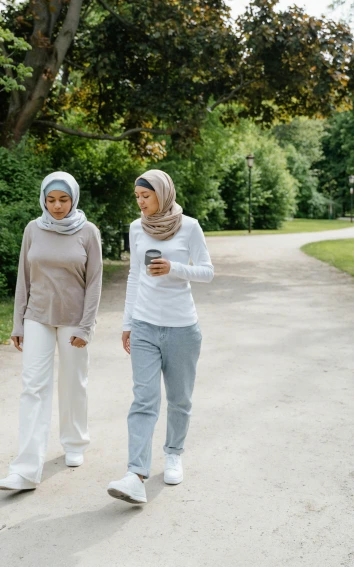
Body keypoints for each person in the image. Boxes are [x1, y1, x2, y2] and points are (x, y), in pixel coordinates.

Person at [107, 169, 214, 504]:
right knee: (144, 399)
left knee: (179, 398)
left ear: (163, 194)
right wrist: (127, 324)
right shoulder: (137, 228)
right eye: (137, 197)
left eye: (146, 196)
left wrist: (174, 268)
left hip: (182, 327)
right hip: (144, 326)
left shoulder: (190, 226)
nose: (140, 203)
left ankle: (173, 454)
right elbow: (134, 278)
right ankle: (135, 474)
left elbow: (208, 272)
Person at [0, 171, 103, 492]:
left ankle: (74, 442)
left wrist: (87, 326)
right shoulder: (33, 229)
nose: (57, 206)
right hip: (37, 317)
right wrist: (19, 321)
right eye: (51, 199)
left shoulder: (88, 232)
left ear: (74, 199)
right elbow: (23, 278)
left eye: (63, 199)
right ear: (43, 198)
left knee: (73, 382)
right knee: (33, 387)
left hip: (73, 319)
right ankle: (26, 469)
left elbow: (95, 282)